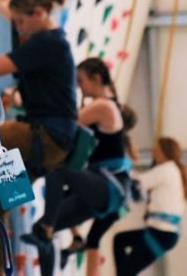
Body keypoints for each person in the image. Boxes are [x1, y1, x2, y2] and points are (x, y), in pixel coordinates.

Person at [0, 0, 78, 276]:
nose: (19, 28)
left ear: (37, 13)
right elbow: (4, 1)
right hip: (52, 147)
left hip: (46, 138)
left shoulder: (47, 41)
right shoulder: (50, 40)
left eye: (22, 22)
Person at [20, 58, 134, 267]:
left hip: (109, 187)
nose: (78, 86)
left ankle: (45, 225)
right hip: (101, 190)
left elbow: (67, 125)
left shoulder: (104, 106)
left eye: (80, 80)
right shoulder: (107, 106)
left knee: (57, 169)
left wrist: (27, 102)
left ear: (96, 78)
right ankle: (44, 230)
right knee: (40, 232)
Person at [59, 105, 139, 276]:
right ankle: (76, 238)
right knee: (67, 197)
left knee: (94, 239)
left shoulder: (115, 140)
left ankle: (71, 237)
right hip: (115, 201)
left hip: (114, 200)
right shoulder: (120, 142)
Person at [112, 136, 187, 276]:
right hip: (163, 233)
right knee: (120, 242)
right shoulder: (174, 172)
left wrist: (123, 168)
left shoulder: (167, 169)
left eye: (157, 150)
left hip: (161, 233)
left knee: (126, 268)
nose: (154, 153)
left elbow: (138, 182)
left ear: (164, 151)